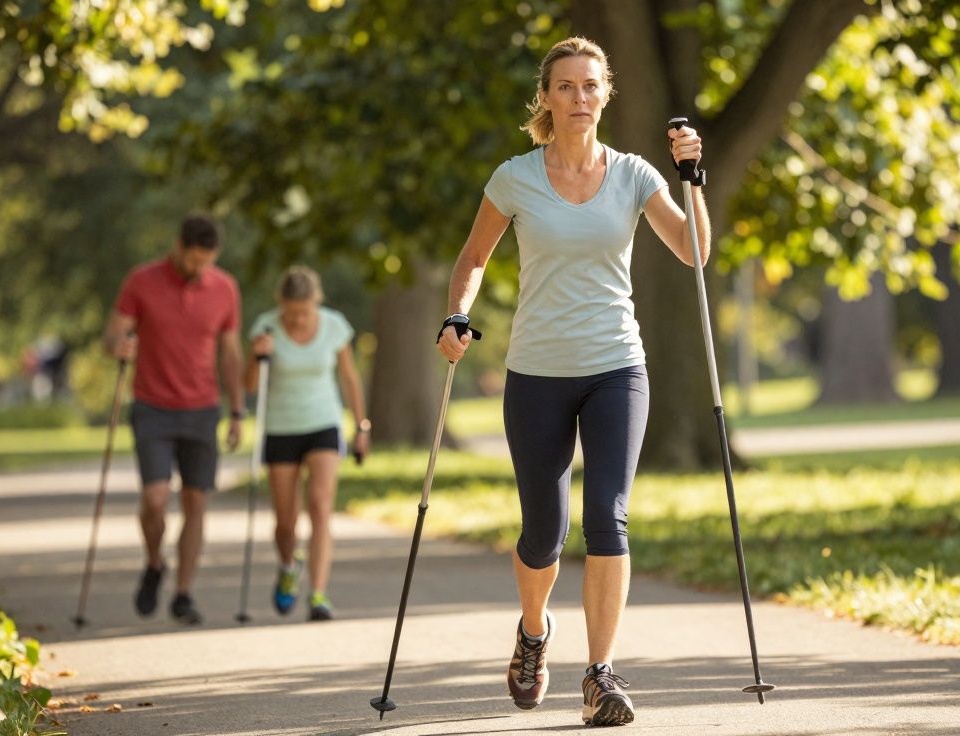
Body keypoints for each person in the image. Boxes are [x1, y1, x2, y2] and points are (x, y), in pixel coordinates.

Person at [437, 37, 710, 726]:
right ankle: (533, 633)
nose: (580, 98)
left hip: (617, 366)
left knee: (607, 517)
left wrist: (694, 180)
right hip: (536, 372)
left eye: (591, 86)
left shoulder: (635, 175)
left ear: (605, 94)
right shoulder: (515, 177)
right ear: (547, 98)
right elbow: (472, 256)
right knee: (542, 533)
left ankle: (600, 673)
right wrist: (457, 315)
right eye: (566, 87)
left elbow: (694, 251)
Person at [104, 215, 245, 625]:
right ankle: (153, 563)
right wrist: (121, 346)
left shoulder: (225, 288)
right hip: (153, 407)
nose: (200, 268)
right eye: (194, 259)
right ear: (179, 246)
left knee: (196, 502)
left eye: (207, 261)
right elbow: (110, 337)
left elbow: (230, 354)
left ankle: (183, 593)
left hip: (202, 409)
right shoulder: (142, 280)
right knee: (154, 499)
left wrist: (237, 410)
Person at [247, 265, 369, 622]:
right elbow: (250, 385)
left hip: (323, 424)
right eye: (291, 312)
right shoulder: (265, 327)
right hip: (281, 427)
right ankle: (289, 565)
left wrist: (361, 425)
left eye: (304, 311)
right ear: (280, 304)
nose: (298, 320)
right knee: (285, 523)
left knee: (319, 505)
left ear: (316, 303)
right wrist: (258, 356)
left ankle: (318, 593)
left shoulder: (333, 325)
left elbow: (349, 377)